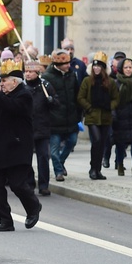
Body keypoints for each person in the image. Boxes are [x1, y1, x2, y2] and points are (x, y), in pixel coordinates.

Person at [0, 60, 41, 232]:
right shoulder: (0, 96)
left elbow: (11, 106)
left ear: (15, 81)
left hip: (17, 147)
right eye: (0, 80)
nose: (1, 83)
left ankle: (33, 207)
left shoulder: (24, 95)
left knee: (17, 184)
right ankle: (5, 220)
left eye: (4, 80)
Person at [77, 51, 118, 180]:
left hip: (105, 117)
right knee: (97, 140)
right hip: (92, 116)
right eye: (94, 66)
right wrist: (88, 107)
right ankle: (93, 167)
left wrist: (109, 106)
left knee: (103, 143)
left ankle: (98, 169)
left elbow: (116, 98)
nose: (96, 68)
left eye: (99, 66)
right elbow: (80, 97)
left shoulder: (110, 82)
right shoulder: (87, 81)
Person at [42, 48, 81, 181]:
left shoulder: (72, 75)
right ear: (58, 65)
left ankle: (61, 162)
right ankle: (58, 171)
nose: (68, 66)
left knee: (72, 142)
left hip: (71, 117)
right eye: (65, 64)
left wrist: (78, 112)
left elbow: (77, 94)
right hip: (55, 118)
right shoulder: (47, 77)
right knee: (54, 149)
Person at [24, 59, 57, 195]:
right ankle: (29, 183)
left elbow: (56, 103)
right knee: (26, 158)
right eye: (26, 71)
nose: (28, 74)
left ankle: (44, 185)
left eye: (31, 71)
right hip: (27, 127)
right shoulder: (23, 87)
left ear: (37, 72)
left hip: (42, 127)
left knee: (43, 157)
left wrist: (51, 100)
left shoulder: (45, 86)